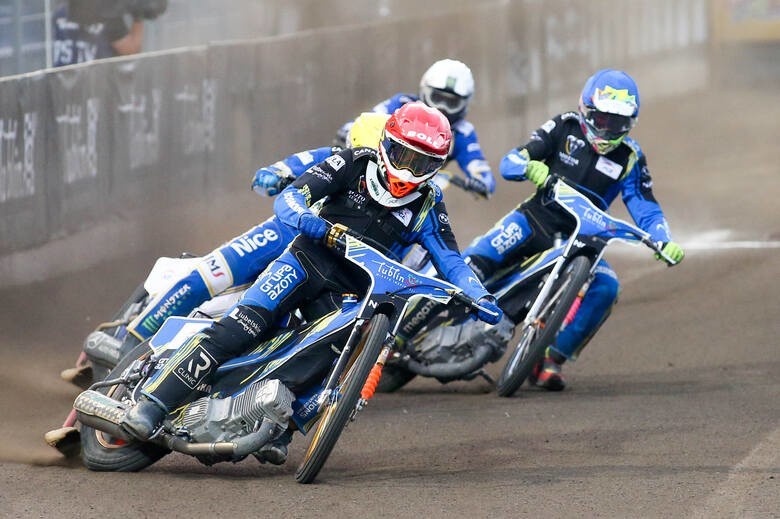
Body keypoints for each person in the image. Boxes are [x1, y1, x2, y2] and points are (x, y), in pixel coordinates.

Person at [120, 102, 503, 464]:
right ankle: (152, 402)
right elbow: (291, 197)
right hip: (305, 261)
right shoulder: (351, 162)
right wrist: (307, 219)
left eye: (423, 164)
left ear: (437, 166)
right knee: (241, 326)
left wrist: (478, 293)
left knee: (330, 358)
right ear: (387, 145)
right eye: (405, 157)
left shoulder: (429, 203)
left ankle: (275, 425)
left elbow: (451, 259)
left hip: (350, 291)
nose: (409, 171)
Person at [66, 112, 392, 384]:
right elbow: (282, 169)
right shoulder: (333, 159)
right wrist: (273, 175)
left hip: (327, 265)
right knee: (203, 279)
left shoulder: (404, 201)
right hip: (281, 236)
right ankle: (125, 349)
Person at [462, 69, 685, 391]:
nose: (608, 129)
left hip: (583, 241)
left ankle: (551, 358)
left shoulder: (630, 156)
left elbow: (644, 204)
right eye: (602, 119)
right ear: (585, 109)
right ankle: (406, 326)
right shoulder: (564, 126)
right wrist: (528, 167)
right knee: (472, 264)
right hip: (534, 220)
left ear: (630, 123)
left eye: (617, 123)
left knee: (607, 288)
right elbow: (511, 161)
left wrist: (663, 238)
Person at [337, 59, 496, 196]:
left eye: (451, 103)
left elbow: (479, 167)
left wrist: (482, 182)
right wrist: (350, 129)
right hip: (371, 170)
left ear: (464, 104)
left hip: (417, 189)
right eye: (438, 98)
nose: (443, 108)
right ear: (425, 90)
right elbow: (365, 120)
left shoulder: (462, 132)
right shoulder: (402, 104)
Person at [52, 0, 167, 67]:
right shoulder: (108, 15)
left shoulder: (63, 10)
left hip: (62, 84)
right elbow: (130, 50)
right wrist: (138, 17)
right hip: (95, 84)